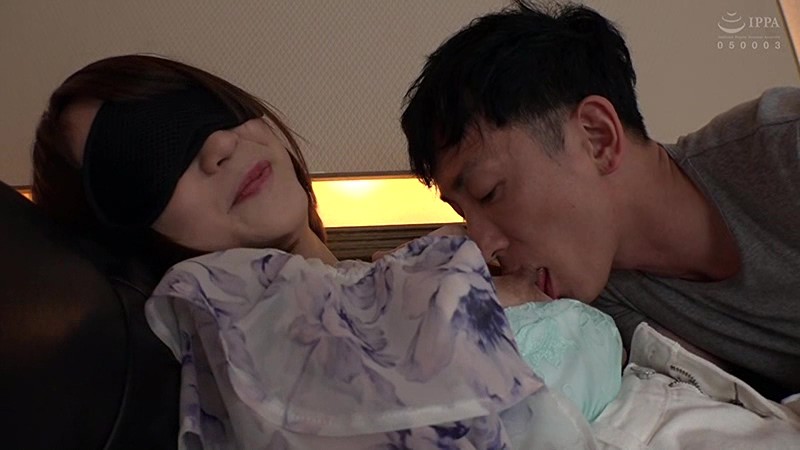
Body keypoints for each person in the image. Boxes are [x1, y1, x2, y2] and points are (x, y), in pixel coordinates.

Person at [30, 54, 607, 449]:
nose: (219, 145)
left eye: (201, 114)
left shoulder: (428, 261)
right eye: (147, 161)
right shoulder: (227, 322)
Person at [400, 0, 800, 403]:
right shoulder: (600, 308)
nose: (485, 246)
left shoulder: (782, 150)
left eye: (489, 192)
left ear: (597, 138)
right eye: (464, 214)